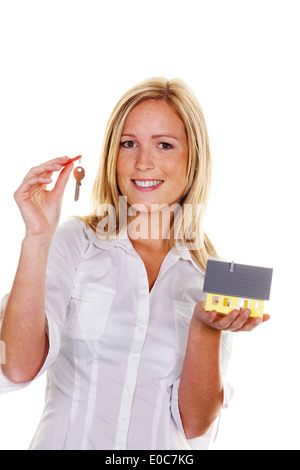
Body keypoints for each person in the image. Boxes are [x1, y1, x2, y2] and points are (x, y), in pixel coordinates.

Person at [0, 77, 270, 450]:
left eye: (164, 145)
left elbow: (193, 426)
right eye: (129, 144)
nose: (144, 163)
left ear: (193, 159)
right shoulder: (75, 242)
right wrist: (37, 238)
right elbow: (16, 367)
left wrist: (205, 330)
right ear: (114, 155)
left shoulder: (217, 276)